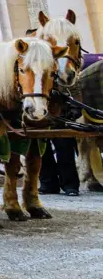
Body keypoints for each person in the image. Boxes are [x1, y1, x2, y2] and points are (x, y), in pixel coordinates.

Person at [29, 28, 80, 195]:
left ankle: (70, 184)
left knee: (64, 147)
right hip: (39, 110)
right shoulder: (31, 62)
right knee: (42, 149)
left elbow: (70, 83)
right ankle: (48, 183)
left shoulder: (55, 59)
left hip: (59, 109)